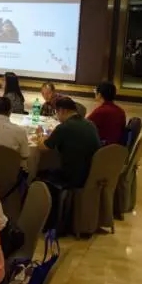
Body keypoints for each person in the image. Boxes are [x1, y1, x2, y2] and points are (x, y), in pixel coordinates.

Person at [36, 97, 101, 228]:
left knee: (39, 174)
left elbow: (43, 148)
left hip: (72, 176)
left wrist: (40, 136)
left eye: (57, 112)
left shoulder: (64, 127)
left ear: (63, 111)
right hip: (91, 173)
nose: (57, 116)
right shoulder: (90, 124)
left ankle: (49, 220)